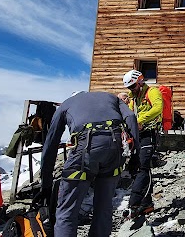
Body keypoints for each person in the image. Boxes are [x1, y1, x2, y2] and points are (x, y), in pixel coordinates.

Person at [37, 91, 138, 237]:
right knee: (104, 208)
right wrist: (135, 157)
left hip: (85, 149)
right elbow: (131, 117)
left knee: (67, 211)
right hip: (114, 150)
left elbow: (51, 144)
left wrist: (46, 185)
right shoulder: (111, 97)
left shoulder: (66, 104)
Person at [123, 69, 163, 218]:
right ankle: (147, 204)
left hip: (149, 133)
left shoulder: (152, 91)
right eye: (129, 87)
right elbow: (129, 112)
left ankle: (134, 203)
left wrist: (139, 120)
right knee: (134, 167)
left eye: (133, 86)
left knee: (142, 167)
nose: (131, 89)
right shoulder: (133, 97)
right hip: (137, 135)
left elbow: (158, 108)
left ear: (140, 81)